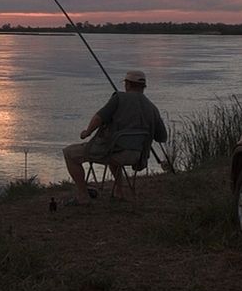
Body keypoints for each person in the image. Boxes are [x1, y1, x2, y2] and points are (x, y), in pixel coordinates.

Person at [62, 70, 168, 203]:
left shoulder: (118, 98)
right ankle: (119, 191)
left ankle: (83, 196)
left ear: (127, 85)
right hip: (137, 156)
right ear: (143, 87)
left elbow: (99, 117)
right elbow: (162, 137)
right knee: (115, 147)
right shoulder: (152, 108)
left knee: (69, 153)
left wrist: (87, 132)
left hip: (113, 153)